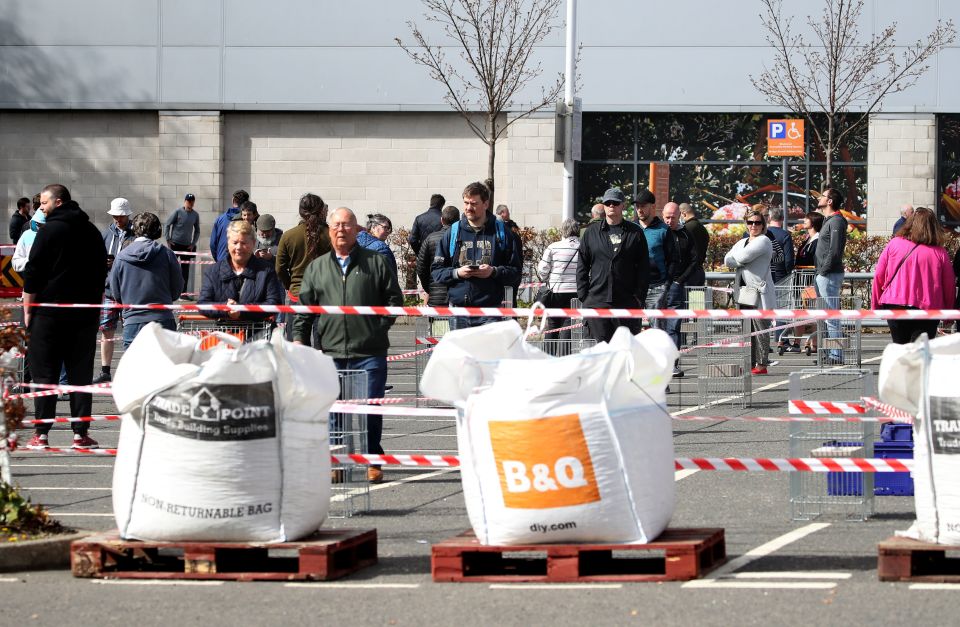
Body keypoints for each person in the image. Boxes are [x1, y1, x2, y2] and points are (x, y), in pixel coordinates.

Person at [292, 207, 403, 484]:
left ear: (357, 230)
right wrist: (299, 342)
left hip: (370, 353)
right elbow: (305, 309)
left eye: (347, 225)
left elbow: (394, 301)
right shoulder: (317, 268)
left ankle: (372, 460)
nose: (341, 229)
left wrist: (377, 330)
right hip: (331, 352)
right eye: (336, 225)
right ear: (329, 231)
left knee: (369, 410)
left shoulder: (375, 263)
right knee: (335, 412)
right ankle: (338, 462)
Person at [22, 184, 107, 449]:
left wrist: (27, 310)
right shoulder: (92, 232)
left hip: (48, 315)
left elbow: (33, 274)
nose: (40, 208)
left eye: (44, 203)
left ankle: (41, 434)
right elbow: (100, 272)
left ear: (58, 202)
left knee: (44, 374)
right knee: (80, 375)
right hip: (84, 316)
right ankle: (81, 434)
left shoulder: (48, 231)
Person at [431, 181, 522, 329]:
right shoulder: (453, 232)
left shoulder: (502, 232)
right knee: (461, 353)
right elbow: (436, 271)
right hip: (459, 310)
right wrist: (457, 273)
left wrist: (493, 272)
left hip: (490, 311)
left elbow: (515, 272)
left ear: (485, 204)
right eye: (466, 203)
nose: (468, 208)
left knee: (487, 353)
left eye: (473, 203)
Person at [576, 187, 649, 343]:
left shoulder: (635, 232)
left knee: (625, 349)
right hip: (597, 301)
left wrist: (639, 297)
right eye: (608, 203)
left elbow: (643, 267)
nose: (611, 206)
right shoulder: (591, 232)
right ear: (603, 205)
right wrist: (584, 295)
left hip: (626, 301)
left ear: (622, 205)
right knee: (601, 348)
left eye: (615, 203)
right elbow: (582, 265)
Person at [873, 207, 954, 344]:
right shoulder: (939, 253)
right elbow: (949, 285)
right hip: (928, 307)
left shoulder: (894, 244)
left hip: (895, 303)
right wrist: (949, 314)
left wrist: (875, 306)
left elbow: (879, 276)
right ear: (933, 227)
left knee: (900, 349)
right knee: (921, 353)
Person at [110, 212, 184, 347]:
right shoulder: (167, 254)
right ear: (157, 231)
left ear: (134, 229)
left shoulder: (121, 257)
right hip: (163, 321)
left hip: (133, 321)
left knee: (134, 368)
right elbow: (177, 290)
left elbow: (116, 293)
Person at [199, 219, 284, 323]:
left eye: (243, 243)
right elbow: (203, 304)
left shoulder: (266, 271)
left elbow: (274, 303)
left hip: (258, 334)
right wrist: (225, 308)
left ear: (253, 243)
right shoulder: (212, 271)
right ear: (228, 243)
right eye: (235, 242)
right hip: (225, 334)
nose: (239, 247)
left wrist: (242, 310)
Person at [724, 209, 776, 375]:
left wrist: (736, 259)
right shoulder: (742, 242)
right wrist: (737, 259)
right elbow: (727, 260)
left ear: (763, 225)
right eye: (750, 222)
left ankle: (761, 364)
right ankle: (749, 362)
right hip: (743, 291)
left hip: (759, 292)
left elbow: (742, 258)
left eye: (757, 222)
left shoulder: (764, 241)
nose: (754, 225)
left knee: (760, 329)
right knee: (747, 330)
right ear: (746, 224)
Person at [275, 193, 330, 340]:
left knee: (296, 346)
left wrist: (290, 284)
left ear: (301, 212)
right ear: (321, 211)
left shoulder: (288, 236)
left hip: (297, 294)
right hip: (324, 295)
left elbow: (279, 268)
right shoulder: (331, 234)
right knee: (324, 348)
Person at [94, 198, 135, 384]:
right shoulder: (106, 234)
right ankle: (105, 370)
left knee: (130, 331)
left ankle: (129, 370)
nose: (118, 219)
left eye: (121, 216)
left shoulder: (135, 235)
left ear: (127, 215)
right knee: (106, 330)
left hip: (128, 290)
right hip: (110, 289)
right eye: (115, 216)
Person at [662, 202, 700, 375]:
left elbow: (695, 259)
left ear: (680, 216)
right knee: (656, 325)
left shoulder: (685, 234)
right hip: (657, 285)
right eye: (667, 217)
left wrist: (680, 280)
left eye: (673, 217)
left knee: (673, 326)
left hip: (676, 286)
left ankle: (673, 364)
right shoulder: (658, 232)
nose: (670, 221)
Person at [634, 190, 677, 328]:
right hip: (634, 287)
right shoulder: (630, 229)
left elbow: (674, 259)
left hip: (657, 287)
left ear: (652, 207)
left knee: (658, 329)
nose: (639, 209)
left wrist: (667, 284)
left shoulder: (664, 230)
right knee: (631, 328)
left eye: (643, 206)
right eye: (637, 206)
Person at [814, 188, 847, 364]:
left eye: (823, 196)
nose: (819, 197)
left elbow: (834, 251)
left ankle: (836, 354)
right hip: (825, 274)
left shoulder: (837, 222)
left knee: (832, 316)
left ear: (830, 201)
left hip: (829, 275)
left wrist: (823, 271)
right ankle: (831, 352)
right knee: (827, 317)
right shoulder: (830, 221)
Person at [536, 218, 580, 351]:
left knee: (553, 324)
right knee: (568, 324)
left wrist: (547, 278)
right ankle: (565, 356)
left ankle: (549, 356)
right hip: (576, 292)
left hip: (556, 291)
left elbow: (542, 270)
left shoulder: (553, 247)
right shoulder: (584, 246)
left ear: (564, 231)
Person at [765, 206, 795, 351]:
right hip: (780, 276)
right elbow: (788, 260)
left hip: (763, 275)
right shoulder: (785, 235)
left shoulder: (763, 233)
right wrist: (788, 272)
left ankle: (762, 340)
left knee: (764, 308)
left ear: (769, 218)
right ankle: (781, 340)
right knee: (781, 308)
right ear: (782, 219)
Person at [416, 205, 459, 305]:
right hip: (458, 295)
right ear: (458, 221)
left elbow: (421, 267)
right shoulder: (463, 238)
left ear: (441, 220)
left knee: (438, 321)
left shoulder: (430, 238)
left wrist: (429, 287)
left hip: (436, 295)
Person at [164, 193, 201, 287]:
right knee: (171, 267)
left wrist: (193, 243)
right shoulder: (178, 212)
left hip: (187, 246)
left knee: (185, 270)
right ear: (185, 201)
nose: (190, 203)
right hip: (175, 244)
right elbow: (167, 224)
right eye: (188, 201)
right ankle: (169, 288)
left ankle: (183, 293)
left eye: (192, 202)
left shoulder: (195, 215)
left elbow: (197, 231)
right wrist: (168, 239)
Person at [209, 189, 248, 262]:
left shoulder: (220, 219)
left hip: (222, 261)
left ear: (233, 201)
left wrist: (218, 260)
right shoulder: (247, 220)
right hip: (240, 263)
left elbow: (212, 244)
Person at [679, 203, 709, 288]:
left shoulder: (686, 229)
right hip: (700, 272)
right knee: (696, 301)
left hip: (688, 273)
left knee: (684, 300)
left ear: (683, 214)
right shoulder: (702, 228)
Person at [12, 207, 45, 272]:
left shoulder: (58, 233)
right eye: (38, 224)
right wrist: (31, 260)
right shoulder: (27, 235)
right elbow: (16, 263)